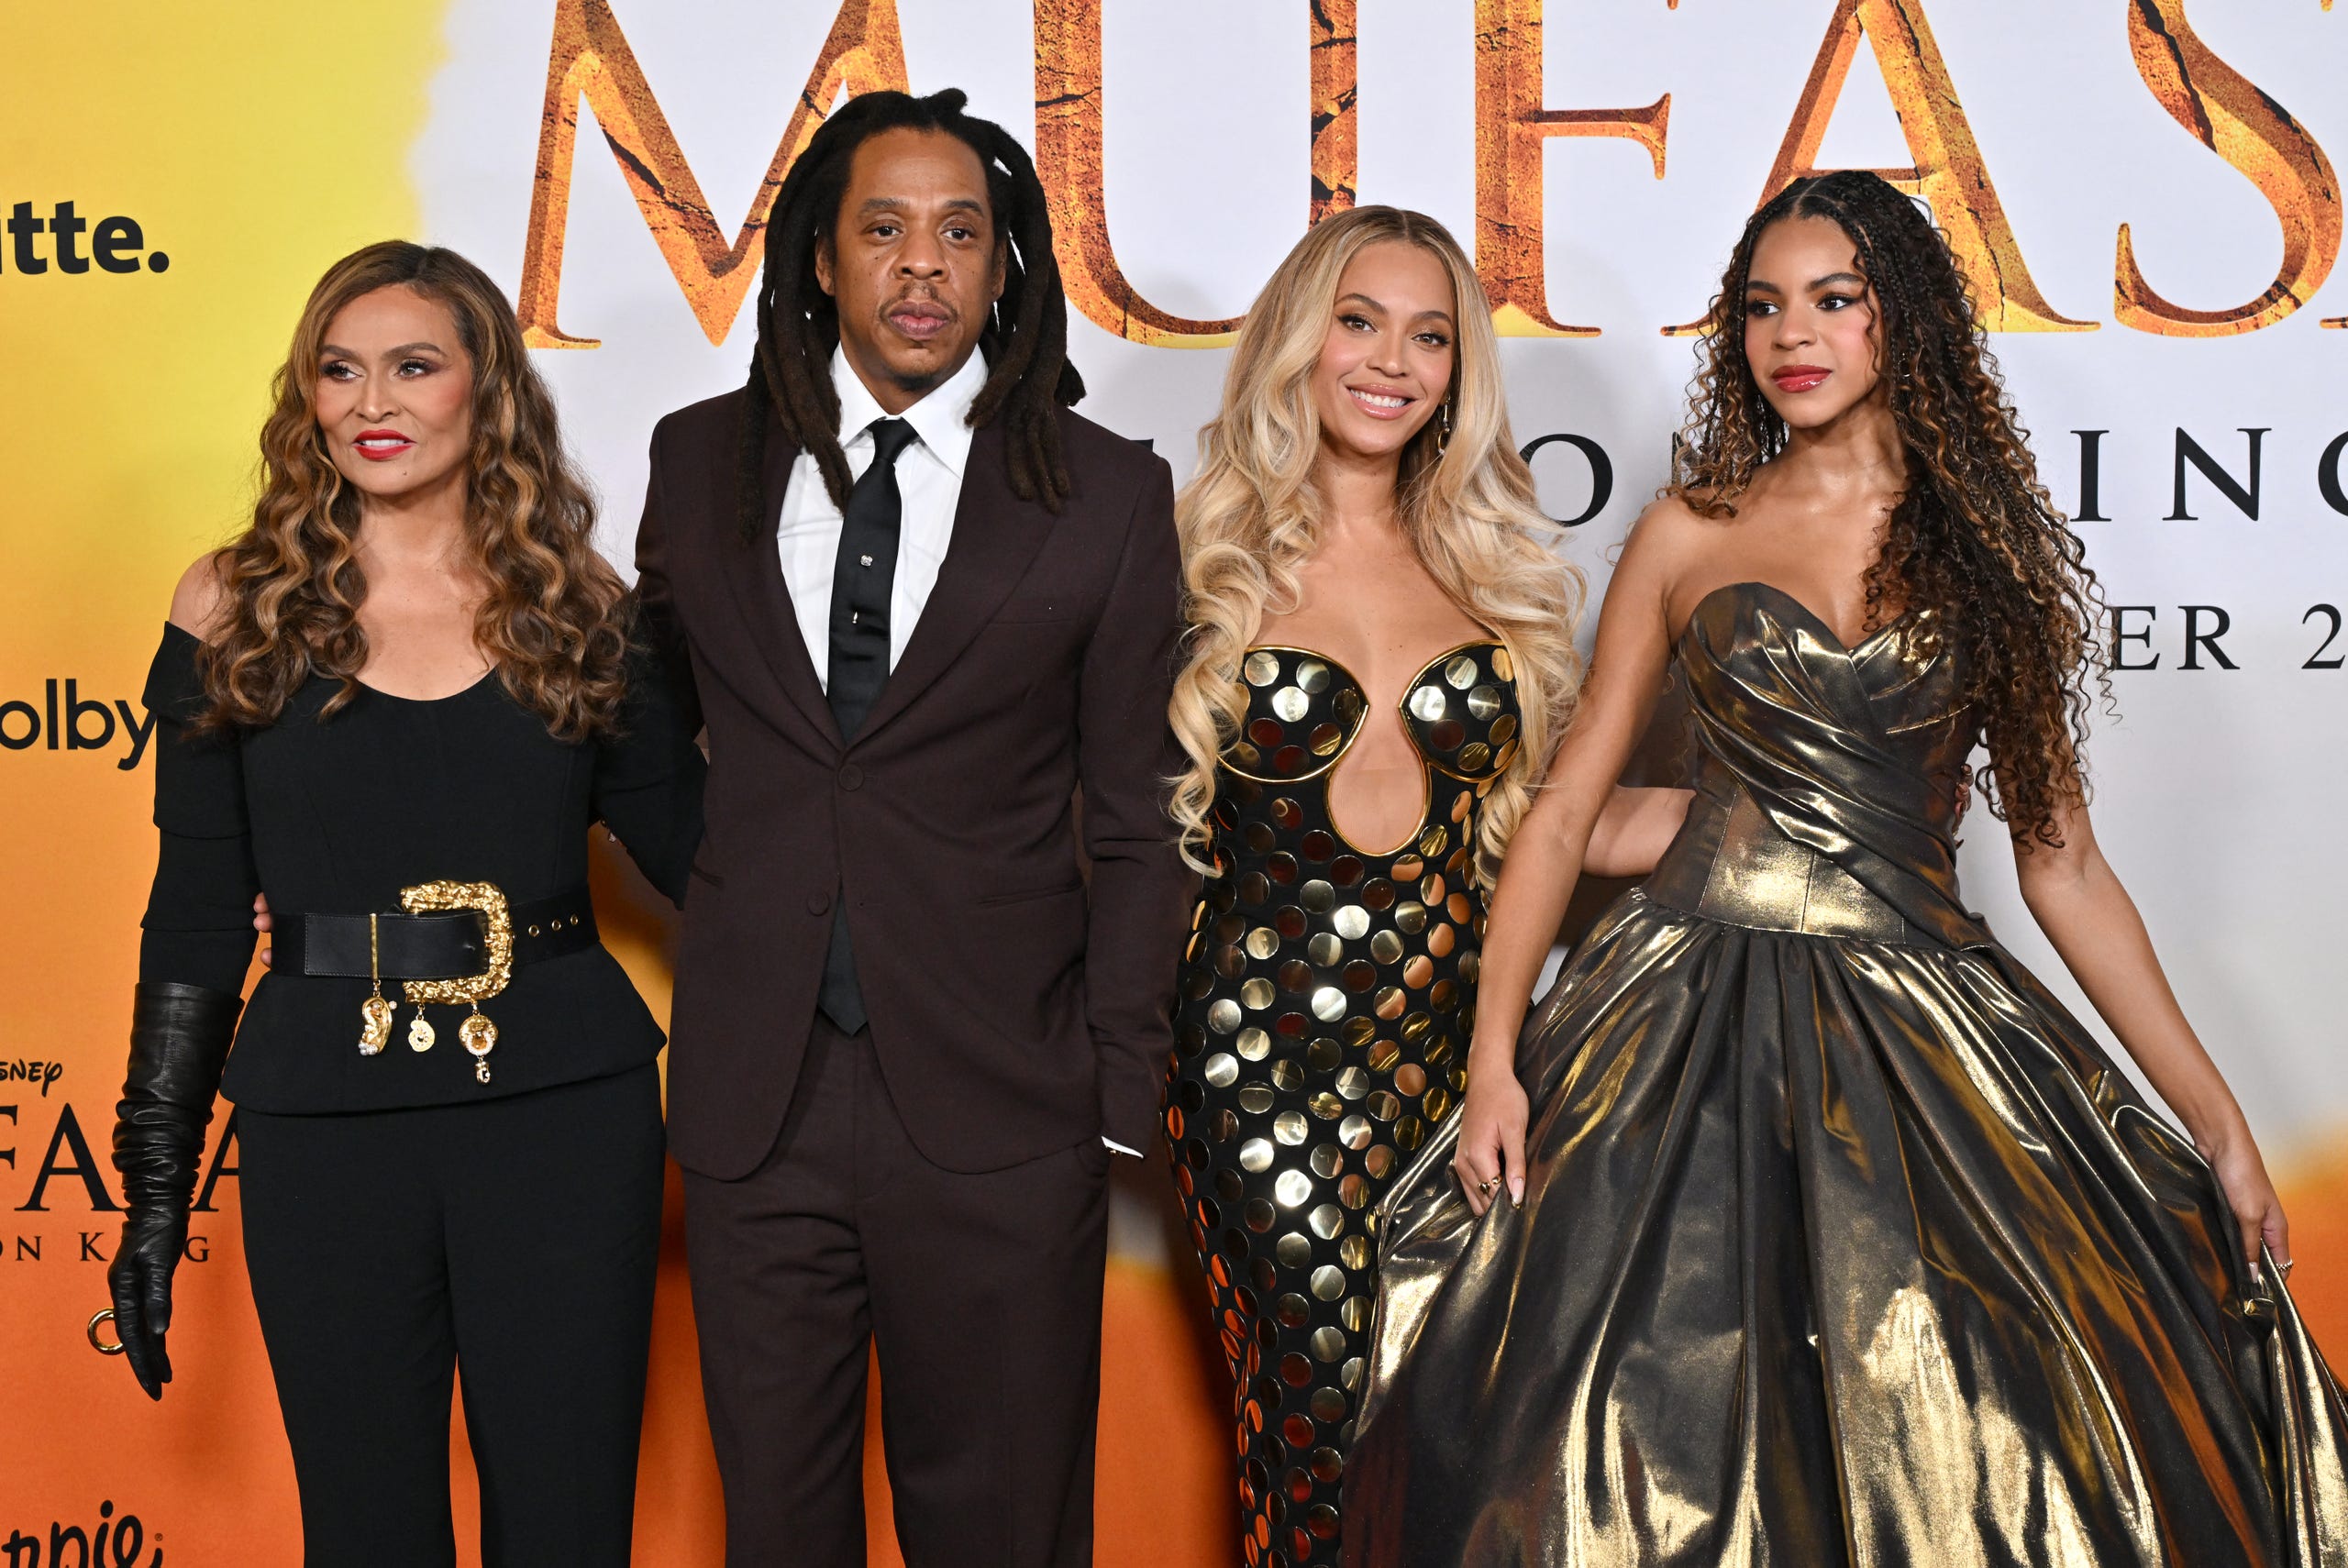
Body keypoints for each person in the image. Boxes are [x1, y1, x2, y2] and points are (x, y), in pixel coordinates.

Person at [1347, 171, 2348, 1565]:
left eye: (1833, 300)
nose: (1790, 335)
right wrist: (1495, 1054)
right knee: (1622, 1432)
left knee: (1992, 1438)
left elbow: (2062, 865)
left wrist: (2218, 1115)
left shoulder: (1988, 552)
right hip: (1678, 1025)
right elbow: (1567, 811)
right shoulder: (1691, 531)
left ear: (1906, 323)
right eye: (1763, 306)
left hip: (1925, 1034)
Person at [632, 89, 1189, 1566]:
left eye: (961, 232)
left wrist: (1111, 1081)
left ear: (1004, 265)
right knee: (779, 1533)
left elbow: (1139, 819)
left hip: (1006, 1102)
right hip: (762, 1104)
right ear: (823, 257)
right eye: (884, 229)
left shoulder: (1108, 496)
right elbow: (639, 734)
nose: (922, 266)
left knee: (1002, 1530)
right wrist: (752, 885)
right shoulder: (697, 461)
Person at [104, 241, 703, 1567]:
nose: (371, 399)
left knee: (566, 1528)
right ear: (307, 398)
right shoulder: (233, 608)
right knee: (365, 1532)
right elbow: (197, 913)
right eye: (339, 368)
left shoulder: (586, 612)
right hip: (326, 1122)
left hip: (563, 1113)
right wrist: (155, 1186)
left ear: (484, 393)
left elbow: (705, 864)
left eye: (413, 365)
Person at [1164, 204, 1689, 1568]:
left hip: (1463, 1077)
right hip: (1256, 1068)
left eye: (1430, 335)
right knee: (1320, 1421)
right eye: (1358, 320)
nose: (1391, 360)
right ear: (1299, 340)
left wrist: (1798, 813)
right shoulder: (1197, 564)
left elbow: (1549, 828)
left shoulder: (1492, 576)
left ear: (1459, 372)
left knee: (1442, 1449)